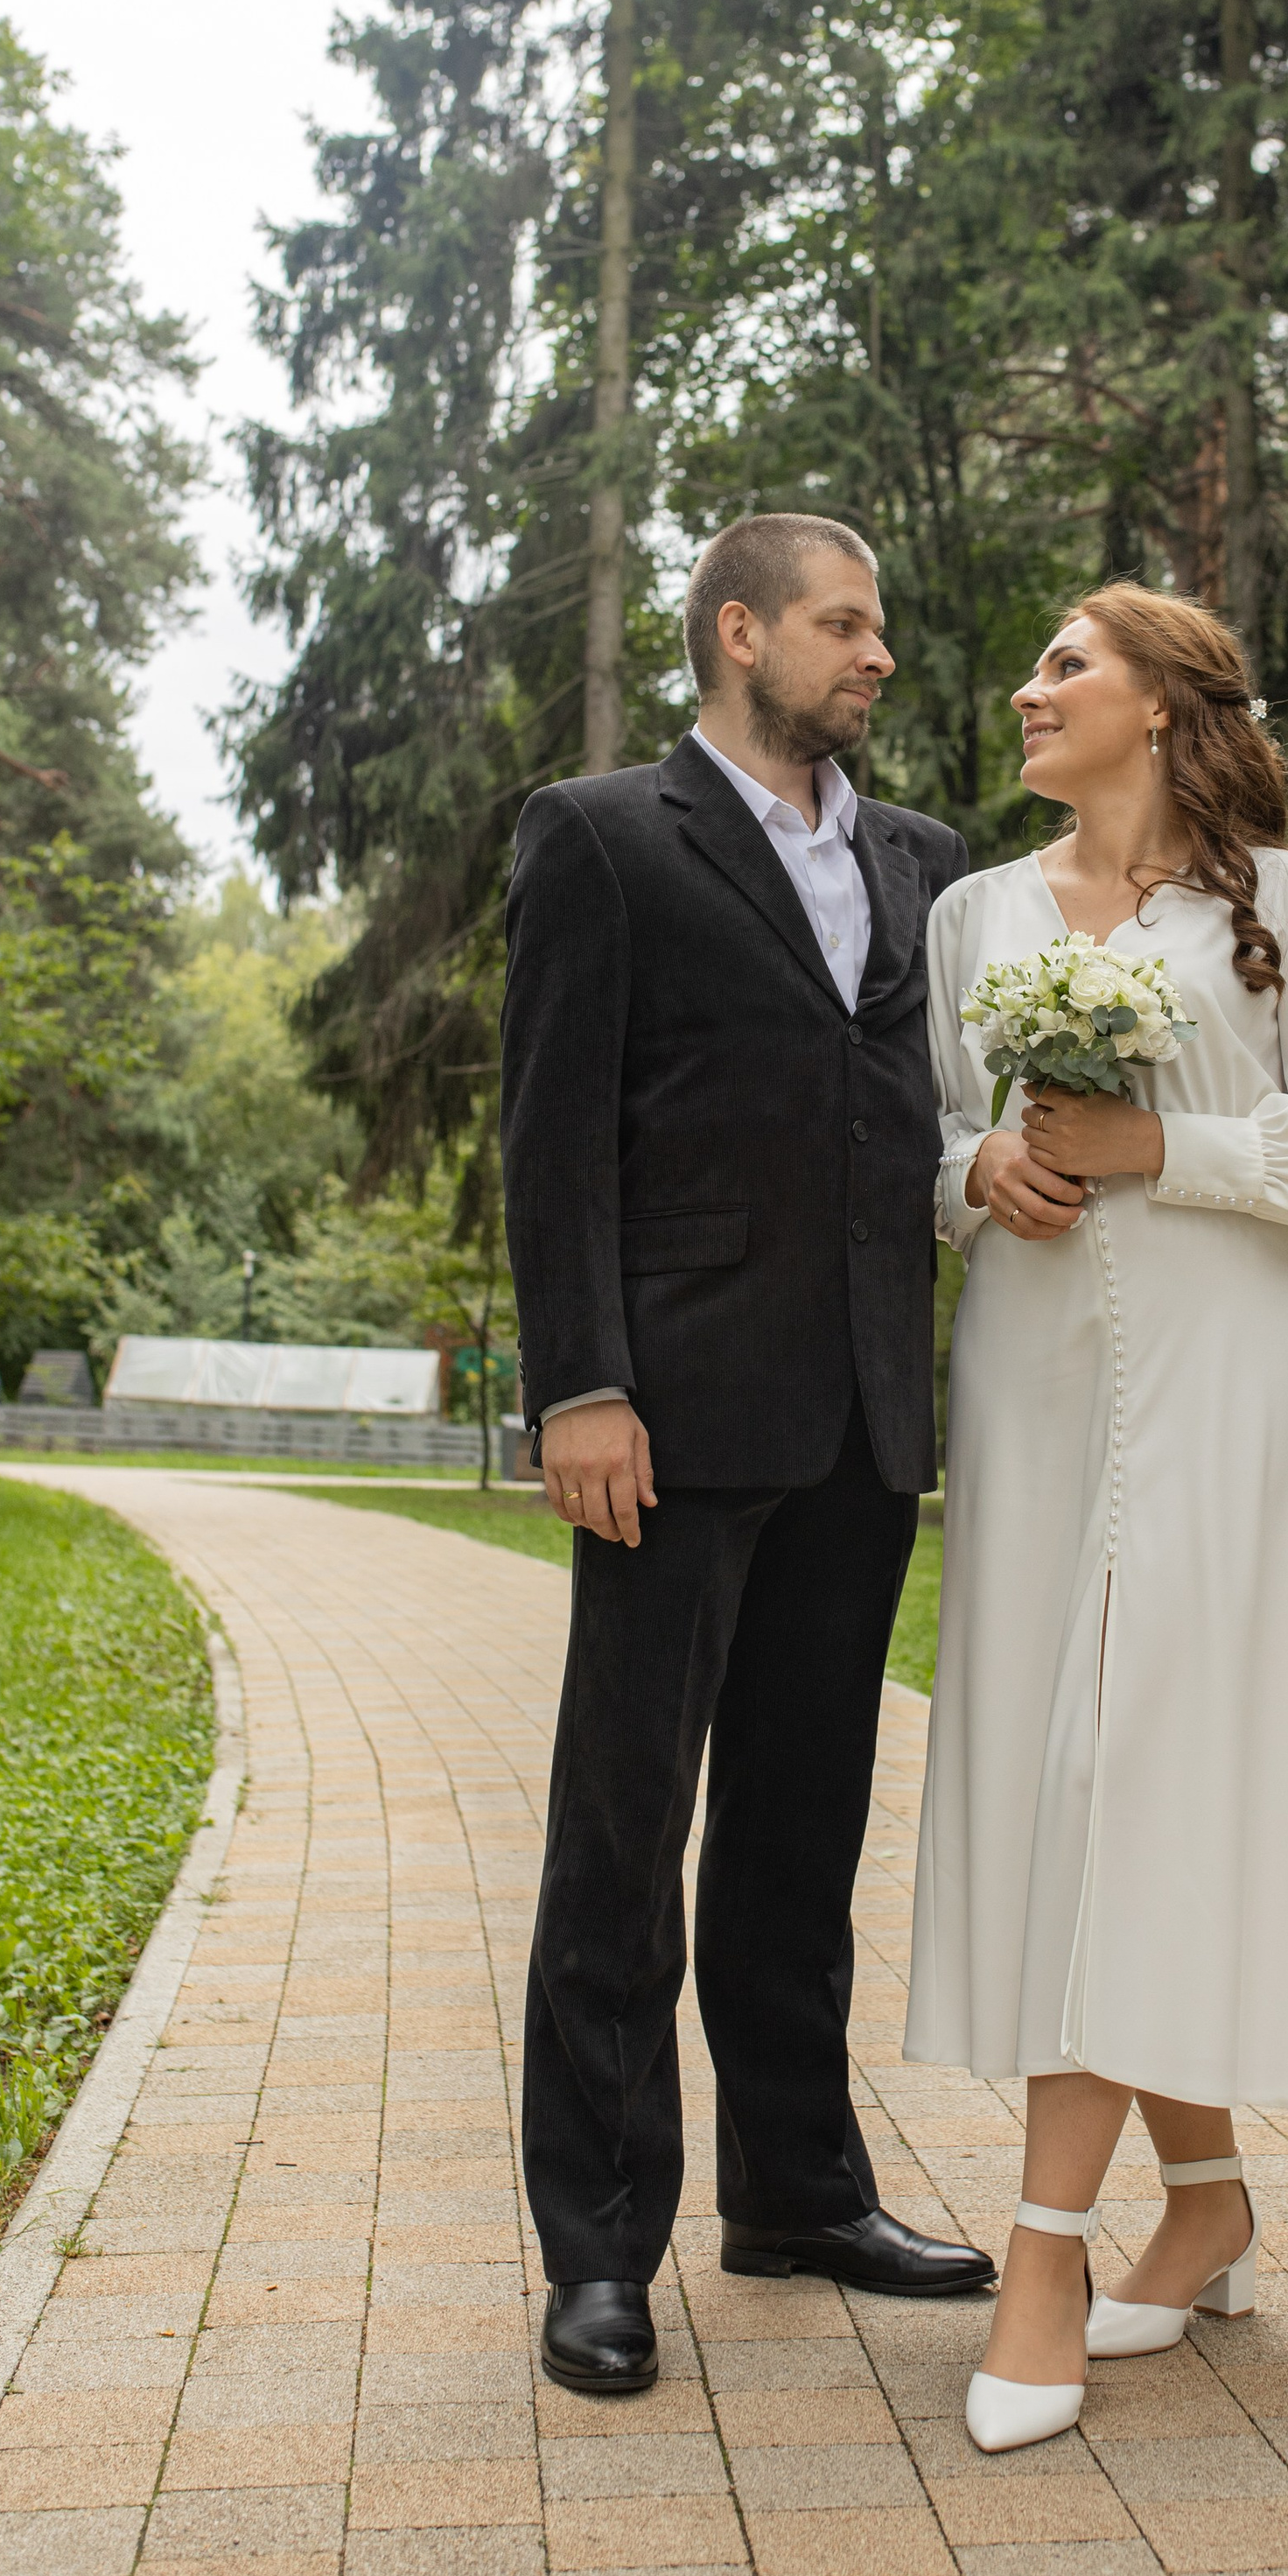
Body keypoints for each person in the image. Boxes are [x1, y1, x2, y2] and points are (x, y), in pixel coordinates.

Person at [906, 584, 1288, 2453]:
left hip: (1235, 1382)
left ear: (1161, 703)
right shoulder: (972, 911)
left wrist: (1161, 1149)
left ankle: (1040, 2256)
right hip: (1035, 1386)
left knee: (1126, 1776)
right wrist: (973, 1167)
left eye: (1063, 663)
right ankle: (1200, 2200)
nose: (1025, 688)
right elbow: (927, 1130)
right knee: (1081, 1782)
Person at [500, 512, 993, 2398]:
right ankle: (598, 2251)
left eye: (879, 628)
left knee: (798, 1835)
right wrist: (580, 1386)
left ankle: (796, 2187)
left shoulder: (919, 862)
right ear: (738, 633)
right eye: (843, 625)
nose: (875, 657)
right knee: (621, 1840)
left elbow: (901, 1126)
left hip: (862, 1425)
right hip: (670, 1423)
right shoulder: (605, 837)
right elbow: (553, 1140)